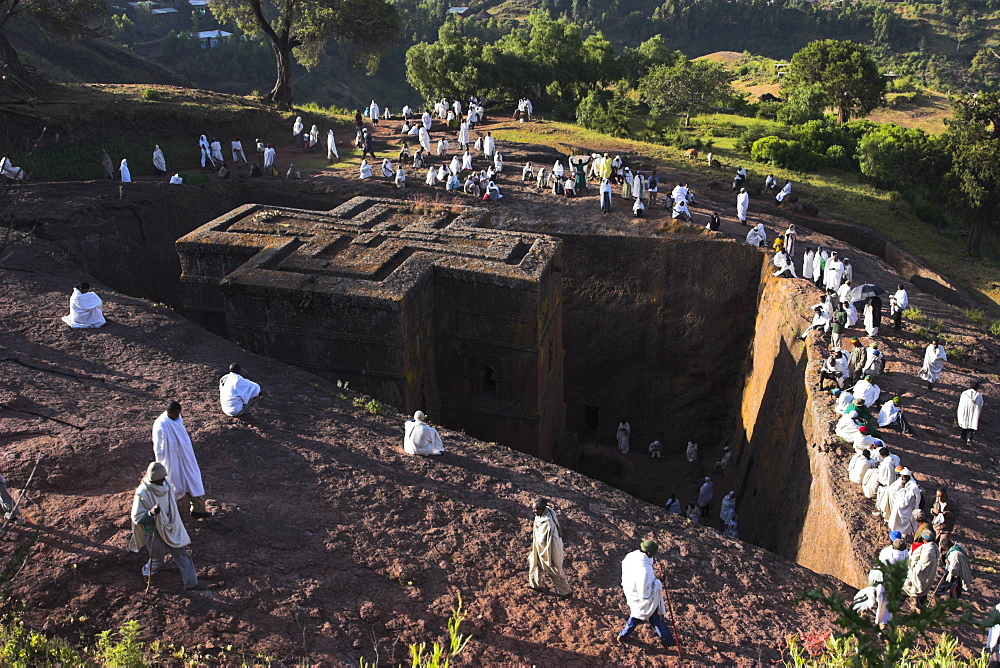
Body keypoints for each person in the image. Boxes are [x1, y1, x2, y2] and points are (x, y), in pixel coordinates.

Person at [128, 462, 208, 590]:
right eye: (159, 480)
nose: (162, 482)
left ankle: (191, 584)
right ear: (153, 480)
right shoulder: (143, 493)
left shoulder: (167, 486)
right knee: (157, 560)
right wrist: (150, 514)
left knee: (182, 555)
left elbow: (171, 504)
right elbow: (137, 518)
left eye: (163, 479)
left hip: (171, 527)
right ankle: (146, 573)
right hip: (155, 531)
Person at [153, 402, 209, 518]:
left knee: (193, 480)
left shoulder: (178, 420)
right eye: (175, 414)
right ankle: (167, 513)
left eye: (179, 413)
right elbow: (159, 447)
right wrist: (161, 463)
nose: (177, 416)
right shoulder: (161, 424)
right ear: (169, 412)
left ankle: (198, 509)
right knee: (172, 484)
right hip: (171, 460)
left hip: (185, 457)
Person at [617, 540, 675, 647]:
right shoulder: (645, 570)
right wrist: (659, 582)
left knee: (644, 614)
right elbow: (645, 592)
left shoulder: (632, 556)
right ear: (649, 553)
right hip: (641, 598)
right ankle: (667, 639)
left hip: (630, 590)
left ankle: (667, 639)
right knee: (641, 615)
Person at [527, 498, 571, 598]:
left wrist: (543, 556)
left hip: (549, 549)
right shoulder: (544, 512)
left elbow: (543, 540)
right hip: (539, 546)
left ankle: (566, 592)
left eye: (536, 509)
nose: (534, 511)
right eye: (533, 509)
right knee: (533, 562)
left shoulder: (547, 523)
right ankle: (535, 585)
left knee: (554, 570)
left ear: (542, 509)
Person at [904, 528, 940, 609]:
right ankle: (920, 608)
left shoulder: (928, 550)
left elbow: (921, 564)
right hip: (928, 574)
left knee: (912, 589)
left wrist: (913, 569)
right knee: (923, 592)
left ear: (924, 539)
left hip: (921, 574)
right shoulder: (934, 547)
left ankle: (917, 608)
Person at [887, 469, 920, 535]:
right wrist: (901, 486)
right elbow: (893, 491)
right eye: (902, 476)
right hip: (898, 506)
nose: (903, 478)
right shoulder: (900, 482)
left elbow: (918, 498)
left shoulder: (913, 487)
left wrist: (916, 507)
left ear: (908, 477)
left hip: (908, 508)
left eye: (905, 476)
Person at [931, 487, 959, 552]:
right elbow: (926, 509)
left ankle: (939, 559)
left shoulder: (952, 503)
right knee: (933, 544)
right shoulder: (933, 500)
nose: (940, 498)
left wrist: (948, 514)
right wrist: (932, 510)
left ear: (945, 495)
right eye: (938, 496)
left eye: (942, 496)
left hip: (946, 528)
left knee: (942, 545)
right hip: (936, 527)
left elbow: (957, 513)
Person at [958, 380, 984, 445]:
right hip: (974, 411)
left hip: (965, 411)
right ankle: (969, 437)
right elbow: (981, 405)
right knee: (972, 423)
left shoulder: (964, 393)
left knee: (964, 423)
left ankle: (963, 437)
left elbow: (961, 403)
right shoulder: (979, 395)